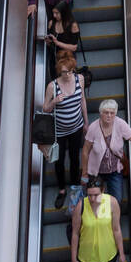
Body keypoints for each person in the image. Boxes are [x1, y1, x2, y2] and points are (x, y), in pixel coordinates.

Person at [83, 99, 131, 207]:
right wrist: (84, 173)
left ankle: (111, 220)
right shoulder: (93, 128)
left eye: (112, 113)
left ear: (115, 113)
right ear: (100, 113)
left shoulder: (120, 124)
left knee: (116, 200)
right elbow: (85, 151)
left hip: (115, 171)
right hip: (96, 172)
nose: (109, 115)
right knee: (95, 201)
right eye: (106, 112)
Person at [44, 49, 88, 208]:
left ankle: (75, 187)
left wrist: (86, 122)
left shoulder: (80, 79)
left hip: (76, 127)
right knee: (59, 160)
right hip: (59, 131)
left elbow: (82, 100)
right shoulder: (52, 86)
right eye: (64, 72)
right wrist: (55, 101)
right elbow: (45, 109)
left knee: (75, 158)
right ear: (59, 71)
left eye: (70, 71)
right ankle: (62, 189)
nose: (68, 75)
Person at [70, 176, 122, 262]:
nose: (93, 199)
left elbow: (116, 229)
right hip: (87, 257)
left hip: (108, 254)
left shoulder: (112, 202)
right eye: (90, 195)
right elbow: (75, 234)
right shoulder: (81, 206)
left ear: (103, 190)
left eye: (96, 195)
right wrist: (74, 259)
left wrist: (121, 253)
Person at [46, 0, 82, 78]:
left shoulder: (73, 25)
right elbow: (49, 43)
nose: (54, 15)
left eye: (57, 13)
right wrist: (48, 41)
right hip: (54, 58)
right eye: (53, 13)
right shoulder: (51, 23)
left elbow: (74, 47)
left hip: (67, 59)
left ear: (64, 13)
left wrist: (57, 42)